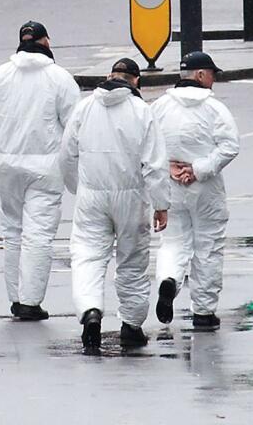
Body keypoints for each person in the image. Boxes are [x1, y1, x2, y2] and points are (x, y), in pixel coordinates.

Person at [0, 21, 81, 321]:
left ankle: (14, 298)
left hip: (5, 167)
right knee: (39, 235)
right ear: (46, 42)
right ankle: (30, 301)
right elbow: (74, 129)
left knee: (13, 232)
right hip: (45, 168)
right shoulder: (60, 79)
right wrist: (74, 173)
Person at [61, 58, 169, 352]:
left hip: (92, 195)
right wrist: (161, 204)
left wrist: (77, 187)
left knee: (87, 255)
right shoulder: (141, 111)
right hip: (131, 196)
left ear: (109, 77)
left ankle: (91, 312)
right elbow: (155, 164)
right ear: (136, 81)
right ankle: (131, 326)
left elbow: (66, 154)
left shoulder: (85, 108)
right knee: (132, 261)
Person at [152, 51, 241, 331]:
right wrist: (199, 169)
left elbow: (147, 144)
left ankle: (168, 280)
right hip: (205, 189)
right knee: (208, 247)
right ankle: (203, 311)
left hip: (170, 186)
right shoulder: (215, 109)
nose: (214, 80)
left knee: (173, 241)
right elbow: (230, 146)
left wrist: (168, 168)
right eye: (212, 74)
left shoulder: (160, 106)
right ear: (201, 75)